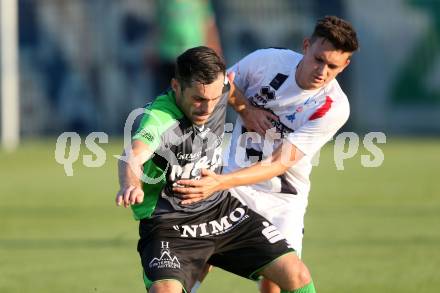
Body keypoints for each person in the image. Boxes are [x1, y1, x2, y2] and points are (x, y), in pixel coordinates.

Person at [173, 16, 359, 293]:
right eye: (318, 59)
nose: (322, 71)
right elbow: (221, 87)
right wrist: (246, 109)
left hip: (282, 199)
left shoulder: (334, 107)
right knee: (202, 254)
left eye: (332, 66)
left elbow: (279, 162)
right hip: (232, 187)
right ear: (306, 46)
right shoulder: (266, 62)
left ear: (345, 65)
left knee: (280, 279)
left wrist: (219, 182)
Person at [116, 46, 317, 293]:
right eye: (198, 99)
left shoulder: (218, 89)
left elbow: (229, 89)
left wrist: (246, 109)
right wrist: (131, 184)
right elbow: (133, 155)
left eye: (213, 99)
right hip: (169, 224)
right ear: (176, 86)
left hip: (221, 211)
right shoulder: (158, 118)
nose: (207, 108)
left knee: (296, 274)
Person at [150, 0, 222, 95]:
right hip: (168, 55)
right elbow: (157, 25)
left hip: (194, 57)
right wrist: (152, 48)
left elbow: (208, 24)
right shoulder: (163, 2)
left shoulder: (200, 2)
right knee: (165, 95)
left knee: (192, 94)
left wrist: (216, 50)